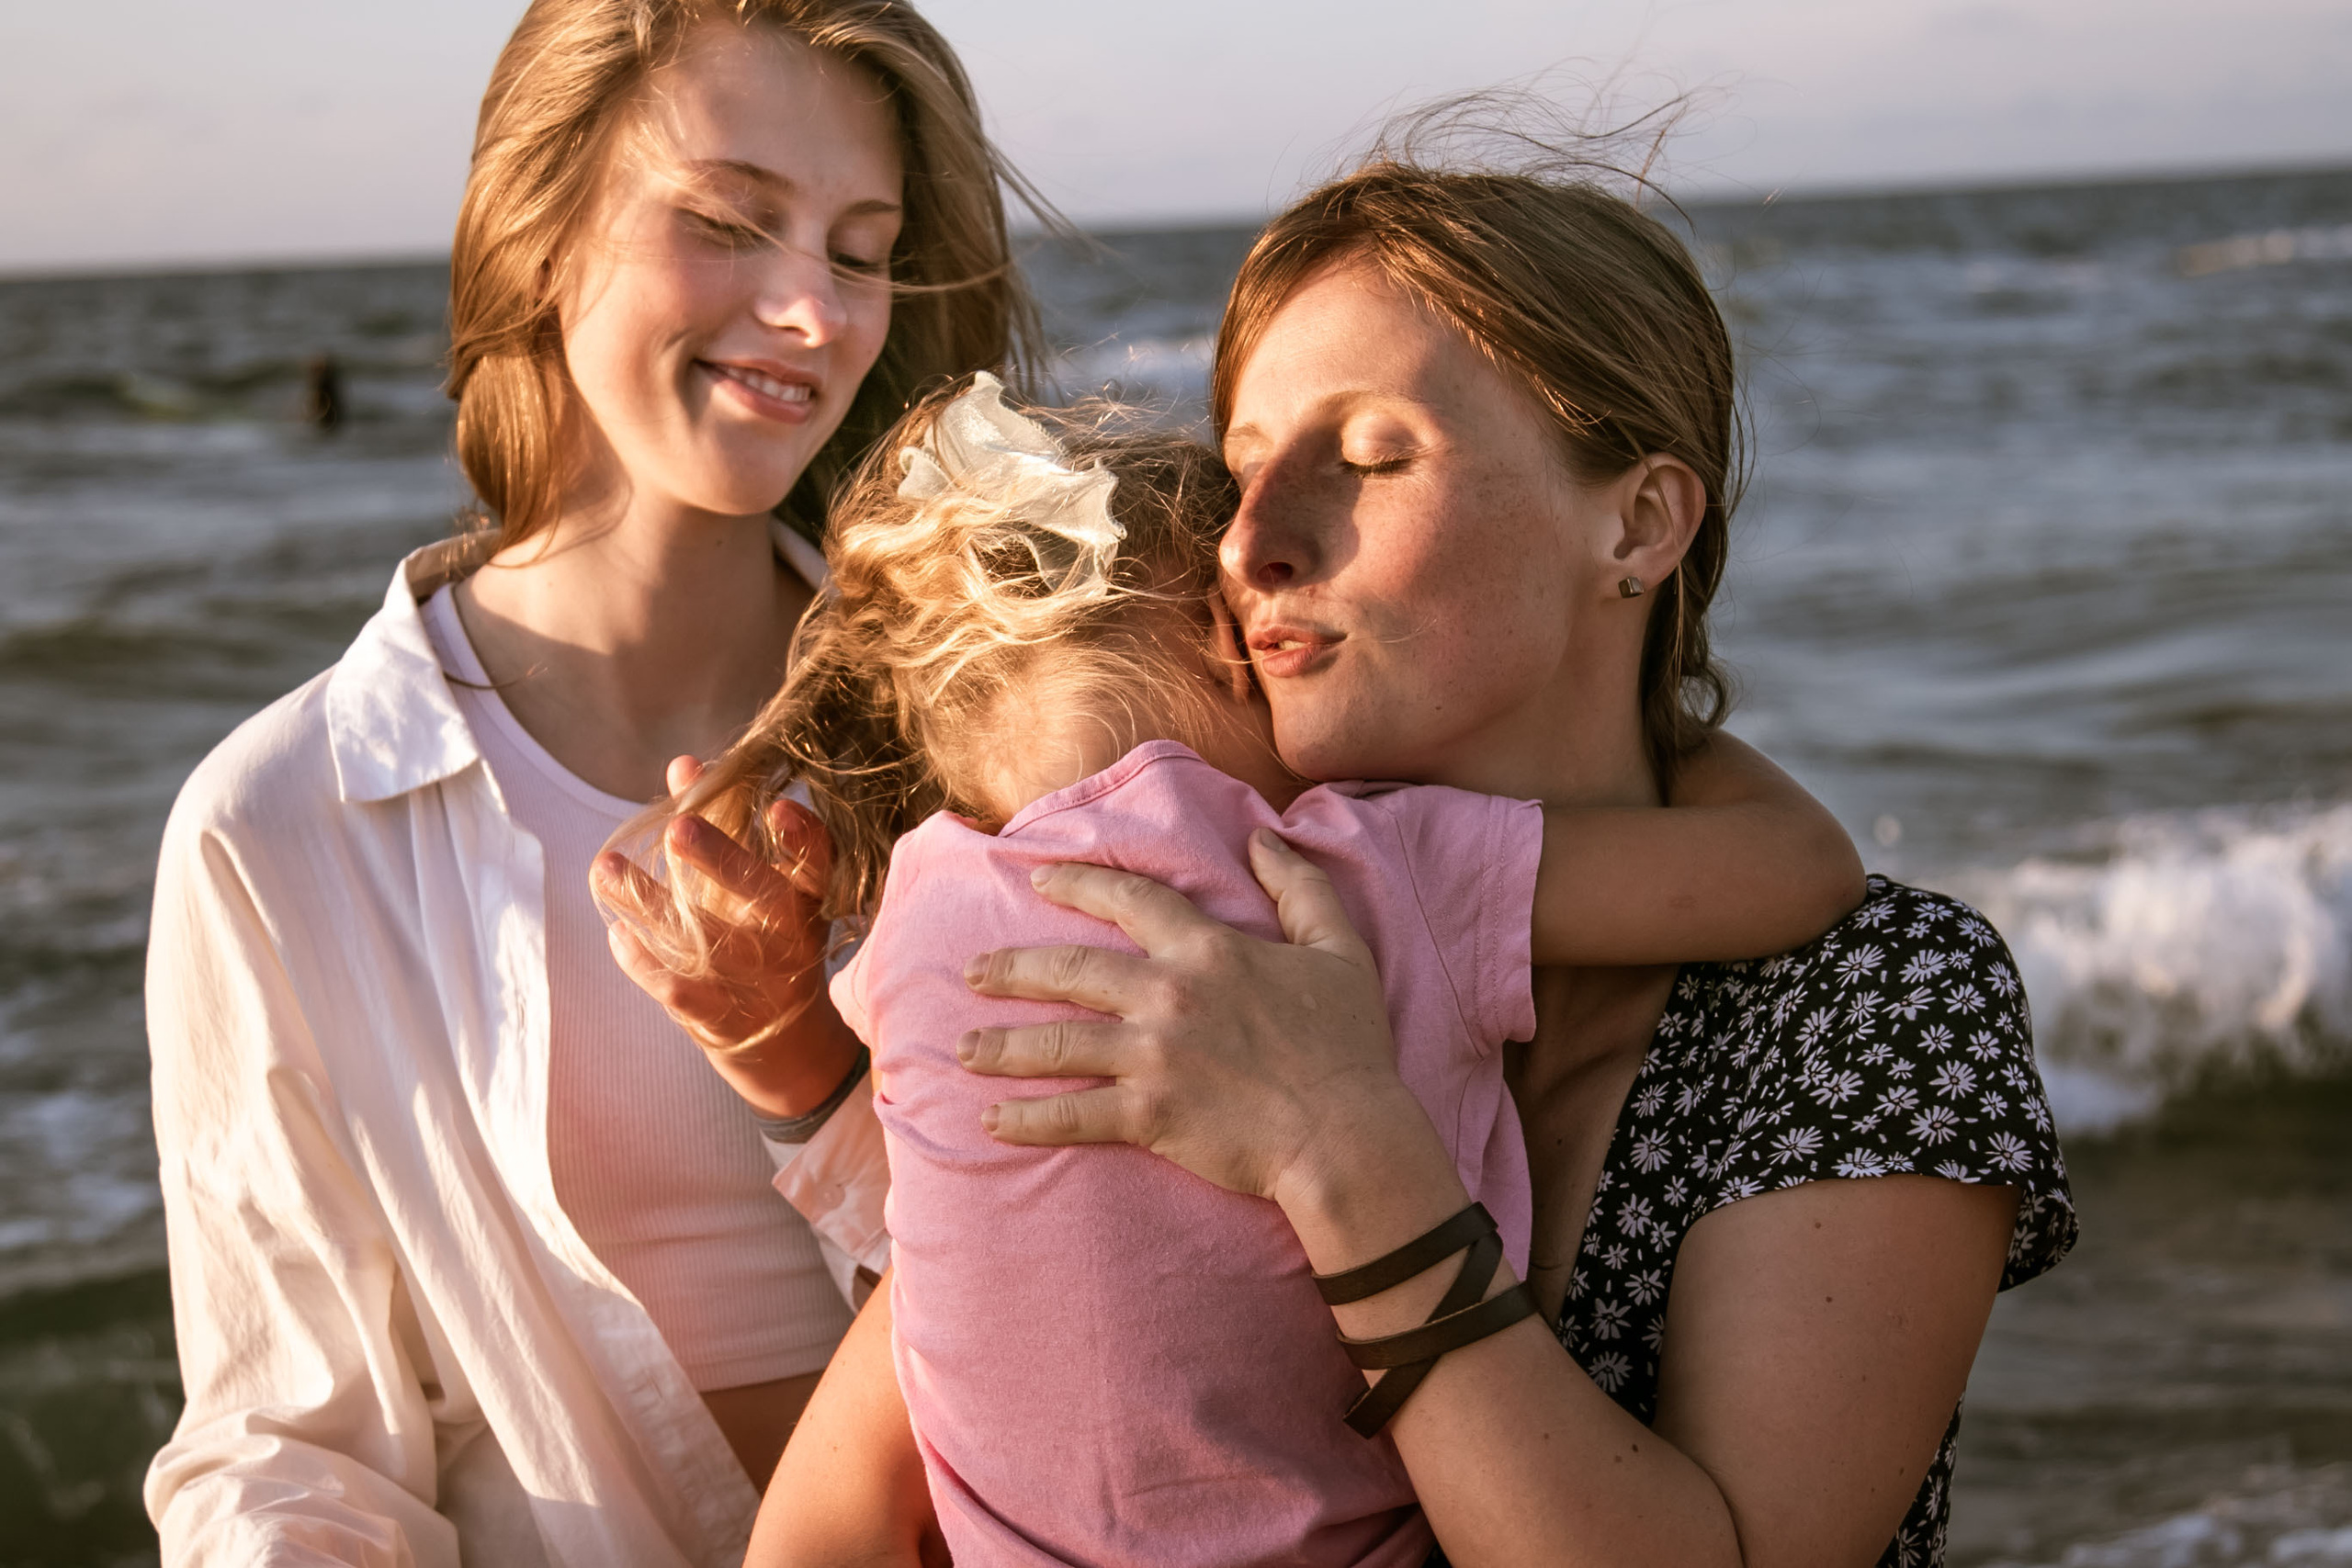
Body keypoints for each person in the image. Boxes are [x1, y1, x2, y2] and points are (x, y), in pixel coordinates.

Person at [629, 127, 2076, 1568]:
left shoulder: (1876, 1001)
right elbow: (1010, 1324)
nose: (1251, 538)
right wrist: (799, 1065)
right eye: (1241, 467)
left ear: (1638, 523)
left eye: (1374, 454)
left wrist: (1345, 1146)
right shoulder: (1200, 922)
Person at [610, 372, 1861, 1567]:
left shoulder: (925, 905)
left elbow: (953, 1219)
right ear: (1231, 639)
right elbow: (1795, 872)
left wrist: (765, 1040)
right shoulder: (1358, 865)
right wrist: (1659, 698)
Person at [141, 3, 1040, 1563]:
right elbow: (289, 1454)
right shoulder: (281, 821)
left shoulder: (987, 724)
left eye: (859, 246)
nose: (816, 311)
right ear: (540, 228)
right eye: (729, 220)